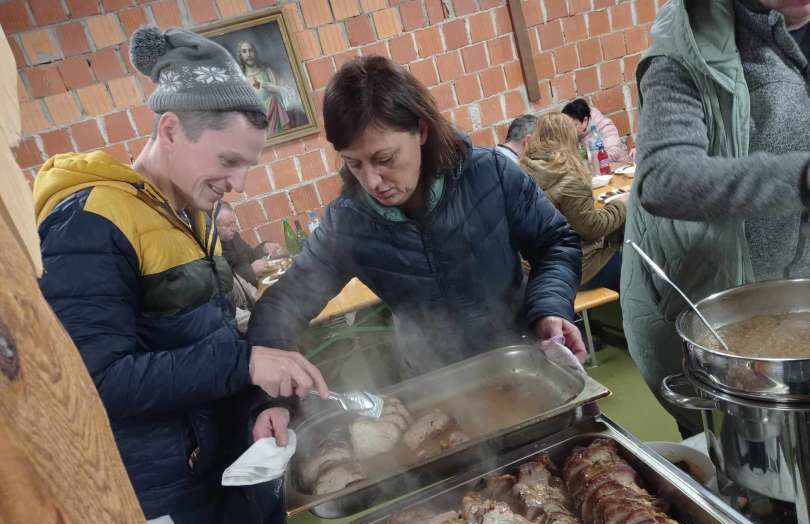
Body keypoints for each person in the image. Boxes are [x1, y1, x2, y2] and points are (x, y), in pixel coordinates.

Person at [34, 26, 328, 524]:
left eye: (248, 165)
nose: (239, 184)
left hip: (229, 469)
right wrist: (243, 366)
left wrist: (255, 409)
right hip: (174, 499)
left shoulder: (184, 213)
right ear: (170, 128)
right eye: (227, 160)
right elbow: (96, 383)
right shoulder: (90, 225)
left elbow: (199, 340)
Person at [247, 56, 586, 375]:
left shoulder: (490, 174)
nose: (371, 182)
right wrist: (268, 371)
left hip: (524, 355)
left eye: (385, 159)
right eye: (354, 163)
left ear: (421, 131)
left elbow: (556, 243)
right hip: (438, 380)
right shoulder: (349, 222)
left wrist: (550, 308)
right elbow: (285, 303)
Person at [620, 0, 810, 437]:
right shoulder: (688, 40)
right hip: (714, 313)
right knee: (747, 468)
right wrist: (800, 180)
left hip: (795, 299)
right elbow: (662, 179)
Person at [521, 113, 627, 292]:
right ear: (569, 139)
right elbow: (592, 228)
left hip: (534, 268)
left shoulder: (524, 169)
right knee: (635, 267)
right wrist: (621, 204)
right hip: (573, 268)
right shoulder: (568, 178)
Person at [237, 39, 301, 134]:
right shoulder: (241, 80)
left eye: (251, 50)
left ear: (255, 52)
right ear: (241, 55)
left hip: (277, 116)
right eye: (244, 51)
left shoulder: (268, 72)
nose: (248, 54)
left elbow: (290, 91)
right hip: (258, 123)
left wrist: (276, 89)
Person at [217, 202, 283, 286]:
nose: (234, 229)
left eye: (234, 223)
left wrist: (264, 248)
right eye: (228, 225)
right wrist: (250, 271)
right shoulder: (211, 250)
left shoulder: (234, 237)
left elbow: (251, 255)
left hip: (258, 287)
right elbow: (222, 282)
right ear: (214, 226)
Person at [561, 98, 630, 162]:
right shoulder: (573, 135)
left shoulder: (605, 127)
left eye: (573, 125)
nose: (568, 130)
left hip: (620, 168)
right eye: (566, 126)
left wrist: (587, 156)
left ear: (585, 121)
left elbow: (614, 154)